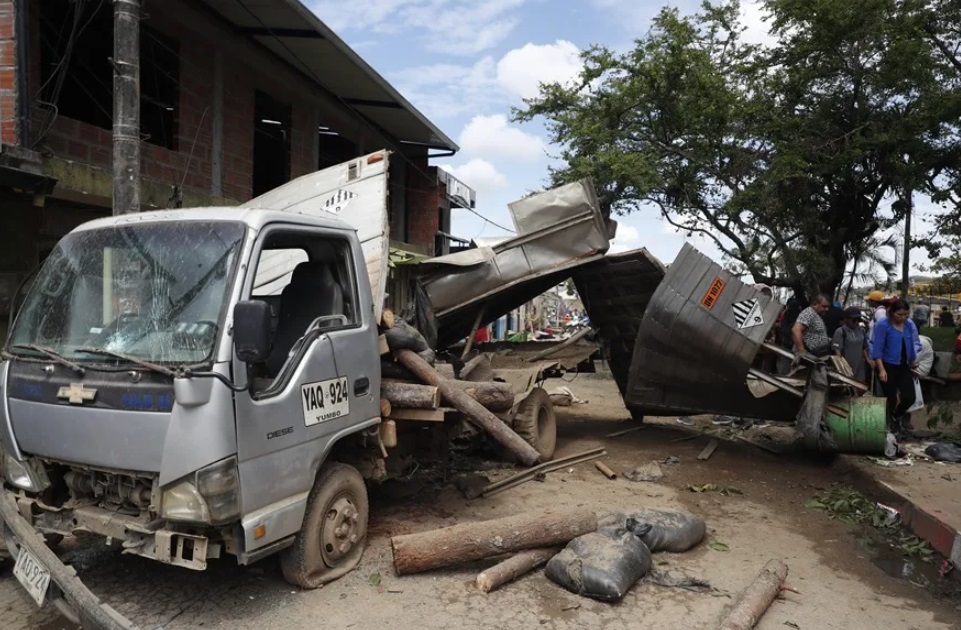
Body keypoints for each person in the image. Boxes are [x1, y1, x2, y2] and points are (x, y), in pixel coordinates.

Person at [871, 299, 921, 435]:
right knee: (891, 398)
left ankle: (895, 417)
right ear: (892, 312)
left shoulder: (909, 324)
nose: (903, 317)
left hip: (904, 365)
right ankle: (888, 425)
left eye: (906, 314)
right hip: (887, 365)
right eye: (900, 314)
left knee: (910, 397)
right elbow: (877, 349)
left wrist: (912, 361)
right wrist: (881, 369)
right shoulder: (883, 325)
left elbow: (911, 344)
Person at [832, 307, 869, 382]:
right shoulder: (840, 331)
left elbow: (863, 347)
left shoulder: (861, 330)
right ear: (846, 319)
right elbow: (837, 351)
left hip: (859, 367)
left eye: (858, 320)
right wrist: (842, 368)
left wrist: (868, 360)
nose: (856, 322)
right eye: (854, 320)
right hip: (847, 367)